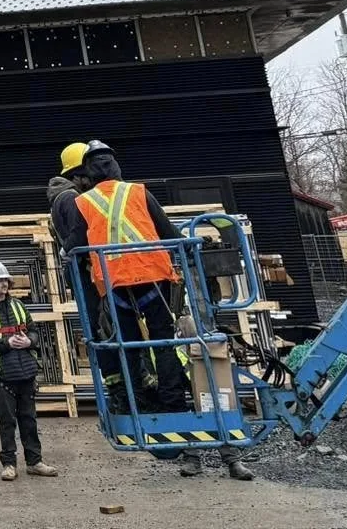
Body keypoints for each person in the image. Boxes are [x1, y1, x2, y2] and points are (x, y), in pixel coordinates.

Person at [51, 140, 254, 483]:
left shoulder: (84, 203)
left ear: (86, 174)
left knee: (130, 350)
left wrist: (66, 254)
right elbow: (169, 233)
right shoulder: (139, 193)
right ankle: (180, 416)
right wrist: (194, 249)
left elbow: (73, 246)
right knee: (168, 348)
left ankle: (145, 403)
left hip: (115, 289)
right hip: (155, 284)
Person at [0, 260, 58, 481]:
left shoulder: (19, 306)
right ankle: (9, 464)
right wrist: (7, 344)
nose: (5, 284)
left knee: (29, 419)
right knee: (7, 421)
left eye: (6, 280)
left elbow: (34, 331)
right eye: (0, 280)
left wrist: (29, 341)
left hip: (26, 371)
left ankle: (34, 462)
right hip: (3, 374)